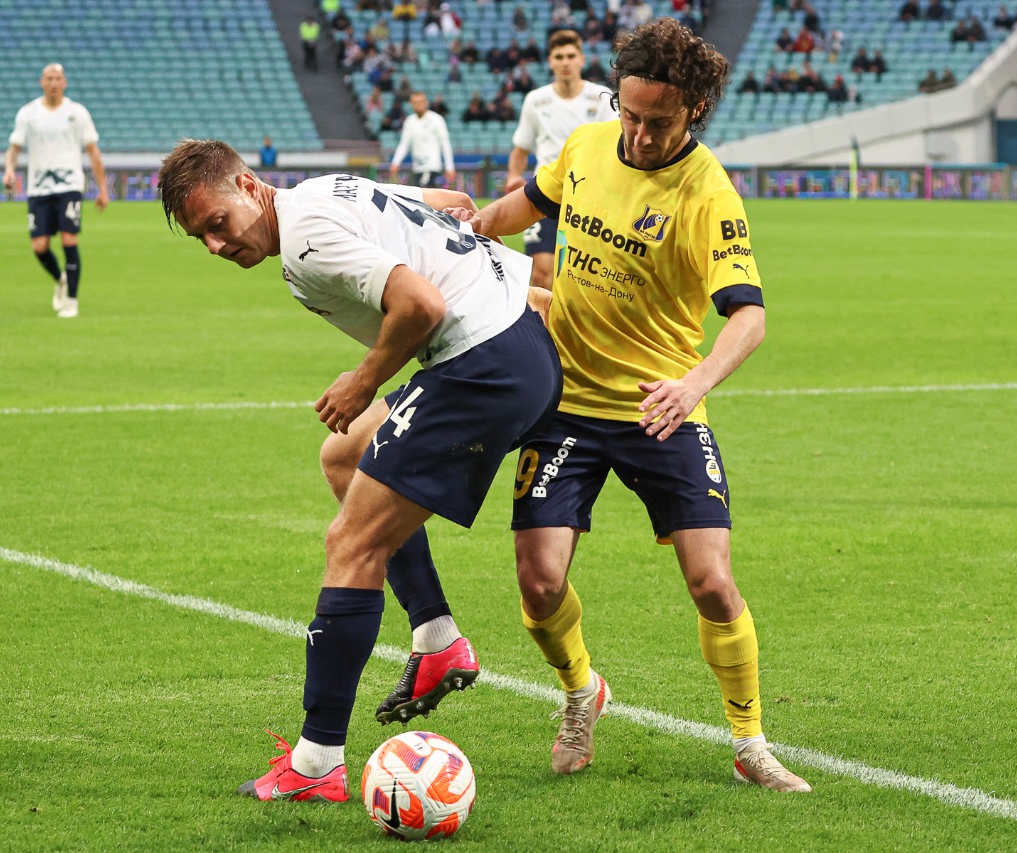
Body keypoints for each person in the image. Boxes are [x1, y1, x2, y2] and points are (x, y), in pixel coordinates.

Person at [445, 18, 812, 792]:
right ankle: (581, 692)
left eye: (659, 122)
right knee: (538, 582)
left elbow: (749, 315)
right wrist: (475, 226)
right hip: (567, 400)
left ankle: (750, 742)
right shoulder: (585, 144)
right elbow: (530, 200)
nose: (639, 135)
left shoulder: (708, 193)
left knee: (712, 580)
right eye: (631, 114)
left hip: (661, 405)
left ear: (696, 111)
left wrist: (694, 385)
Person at [156, 138, 562, 803]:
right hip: (514, 342)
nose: (215, 245)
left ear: (248, 185)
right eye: (200, 236)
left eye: (217, 223)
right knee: (343, 455)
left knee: (350, 542)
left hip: (482, 364)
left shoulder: (308, 239)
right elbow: (450, 203)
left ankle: (316, 763)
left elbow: (423, 305)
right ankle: (436, 636)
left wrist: (362, 379)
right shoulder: (320, 192)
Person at [504, 30, 617, 290]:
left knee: (583, 277)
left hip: (590, 197)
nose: (565, 62)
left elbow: (614, 145)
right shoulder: (536, 100)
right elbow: (520, 149)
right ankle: (548, 331)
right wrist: (512, 175)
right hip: (545, 192)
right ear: (550, 61)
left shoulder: (601, 98)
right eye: (559, 56)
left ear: (581, 59)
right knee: (541, 275)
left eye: (570, 56)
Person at [3, 63, 108, 319]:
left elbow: (92, 151)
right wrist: (8, 170)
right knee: (39, 246)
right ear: (42, 82)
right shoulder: (28, 114)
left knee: (69, 239)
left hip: (69, 185)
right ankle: (61, 278)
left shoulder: (77, 113)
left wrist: (102, 188)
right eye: (49, 78)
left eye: (58, 78)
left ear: (64, 83)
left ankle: (71, 300)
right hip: (38, 188)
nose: (53, 83)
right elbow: (15, 148)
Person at [389, 91, 456, 188]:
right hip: (417, 168)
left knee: (428, 199)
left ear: (426, 103)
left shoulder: (436, 119)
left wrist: (450, 167)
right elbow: (404, 145)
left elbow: (445, 144)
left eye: (420, 102)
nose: (418, 105)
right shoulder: (409, 121)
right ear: (411, 104)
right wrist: (395, 163)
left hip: (432, 167)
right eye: (415, 102)